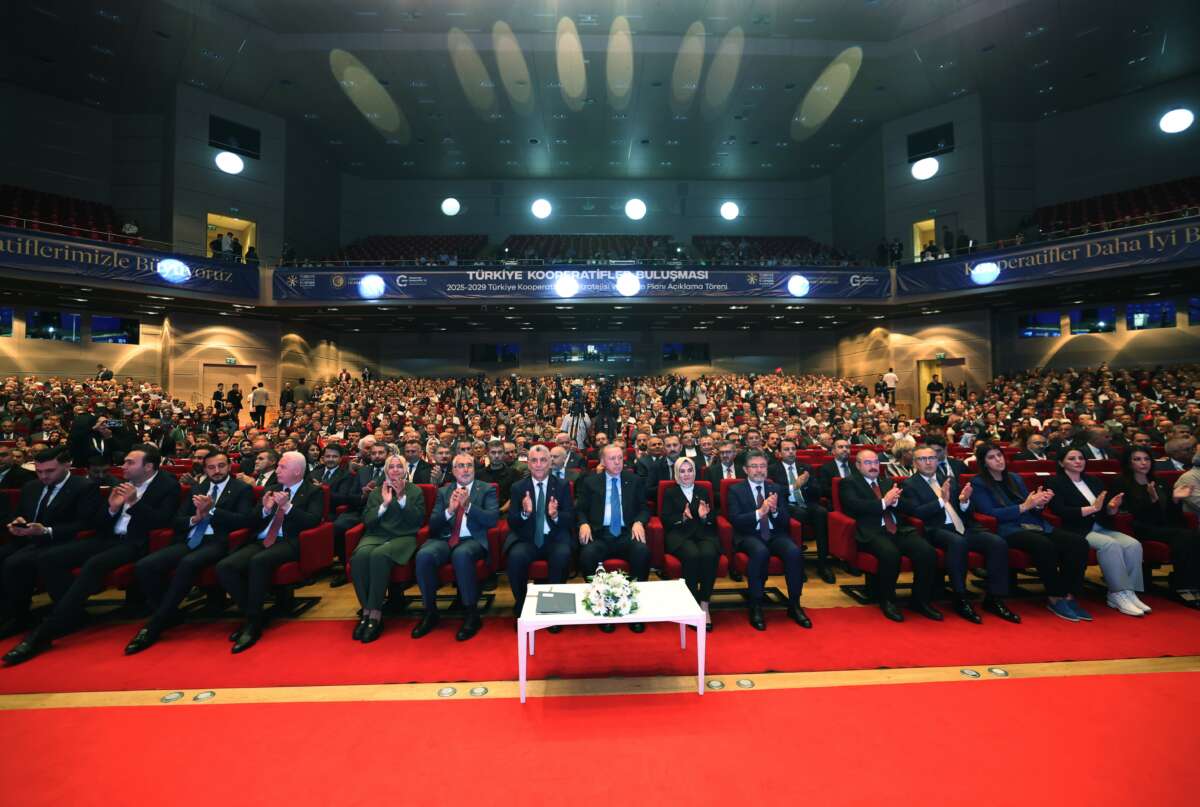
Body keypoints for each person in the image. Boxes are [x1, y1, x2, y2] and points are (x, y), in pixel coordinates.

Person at [4, 445, 180, 666]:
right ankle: (72, 612)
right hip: (106, 538)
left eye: (129, 462)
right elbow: (98, 523)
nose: (123, 466)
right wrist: (112, 509)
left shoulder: (167, 485)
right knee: (49, 557)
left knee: (94, 564)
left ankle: (46, 631)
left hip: (136, 543)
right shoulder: (120, 484)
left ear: (148, 467)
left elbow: (162, 521)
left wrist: (135, 503)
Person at [124, 450, 255, 654]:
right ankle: (169, 613)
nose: (217, 470)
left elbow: (244, 521)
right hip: (190, 539)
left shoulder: (241, 489)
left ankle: (155, 624)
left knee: (188, 563)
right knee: (145, 565)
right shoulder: (197, 488)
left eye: (221, 466)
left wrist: (212, 511)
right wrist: (195, 518)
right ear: (205, 469)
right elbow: (176, 521)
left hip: (218, 541)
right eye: (211, 467)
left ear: (229, 466)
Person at [216, 451, 324, 653]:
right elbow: (251, 520)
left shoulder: (313, 491)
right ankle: (253, 614)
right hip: (263, 539)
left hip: (290, 541)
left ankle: (252, 624)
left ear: (297, 471)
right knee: (225, 566)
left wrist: (288, 507)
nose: (277, 470)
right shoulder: (272, 488)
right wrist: (265, 510)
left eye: (282, 467)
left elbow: (313, 521)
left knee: (259, 561)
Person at [970, 443, 1091, 622]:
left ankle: (1069, 595)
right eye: (991, 457)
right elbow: (990, 513)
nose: (998, 460)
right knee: (1044, 545)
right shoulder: (978, 483)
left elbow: (1032, 507)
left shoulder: (1015, 478)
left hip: (1033, 524)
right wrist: (1024, 506)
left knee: (1078, 543)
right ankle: (1055, 597)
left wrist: (1040, 503)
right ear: (984, 462)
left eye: (999, 455)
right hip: (1007, 529)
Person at [900, 446, 1020, 623]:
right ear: (915, 463)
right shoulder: (909, 485)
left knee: (997, 542)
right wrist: (941, 501)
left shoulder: (948, 479)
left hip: (963, 526)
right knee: (958, 543)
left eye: (932, 458)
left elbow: (966, 510)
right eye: (923, 459)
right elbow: (916, 513)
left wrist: (964, 501)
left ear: (937, 460)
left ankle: (994, 598)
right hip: (936, 529)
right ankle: (960, 598)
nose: (928, 462)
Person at [0, 448, 101, 638]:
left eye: (50, 471)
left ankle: (39, 616)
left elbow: (86, 523)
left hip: (64, 540)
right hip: (30, 539)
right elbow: (20, 514)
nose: (44, 476)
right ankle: (12, 613)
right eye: (39, 471)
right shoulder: (31, 487)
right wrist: (17, 523)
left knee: (15, 563)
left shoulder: (84, 487)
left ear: (67, 465)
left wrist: (47, 531)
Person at [838, 449, 941, 622]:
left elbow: (909, 507)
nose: (873, 466)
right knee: (891, 554)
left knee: (927, 552)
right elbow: (855, 506)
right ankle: (887, 600)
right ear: (858, 465)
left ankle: (920, 600)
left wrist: (896, 501)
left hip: (897, 529)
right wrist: (884, 502)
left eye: (876, 462)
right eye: (868, 463)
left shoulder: (887, 482)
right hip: (871, 531)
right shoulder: (849, 483)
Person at [1048, 448, 1147, 617]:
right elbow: (1060, 511)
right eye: (1072, 458)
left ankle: (1130, 592)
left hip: (1101, 525)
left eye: (1081, 458)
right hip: (1076, 528)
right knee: (1110, 545)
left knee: (1133, 544)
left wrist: (1112, 507)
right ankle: (1117, 593)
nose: (1078, 461)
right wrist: (1092, 509)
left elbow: (1105, 509)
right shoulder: (1055, 482)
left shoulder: (1094, 481)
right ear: (1061, 463)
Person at [411, 453, 500, 641]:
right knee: (424, 554)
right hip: (445, 539)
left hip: (472, 540)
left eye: (469, 465)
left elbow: (492, 519)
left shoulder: (486, 489)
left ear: (475, 469)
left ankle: (471, 614)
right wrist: (450, 510)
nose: (465, 470)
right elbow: (433, 524)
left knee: (461, 554)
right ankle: (430, 612)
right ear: (453, 470)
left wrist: (468, 507)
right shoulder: (444, 491)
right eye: (460, 466)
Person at [726, 450, 809, 630]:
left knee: (794, 552)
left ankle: (794, 604)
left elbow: (785, 520)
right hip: (749, 534)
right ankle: (756, 605)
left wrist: (775, 511)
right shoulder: (735, 490)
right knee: (760, 552)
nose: (759, 470)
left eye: (762, 466)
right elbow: (735, 520)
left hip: (774, 534)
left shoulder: (775, 488)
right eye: (754, 466)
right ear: (745, 470)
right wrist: (760, 512)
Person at [574, 444, 650, 633]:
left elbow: (644, 508)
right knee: (587, 555)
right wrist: (583, 523)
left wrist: (639, 521)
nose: (617, 462)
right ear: (602, 461)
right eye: (612, 459)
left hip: (626, 533)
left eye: (620, 458)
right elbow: (580, 509)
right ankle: (601, 606)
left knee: (642, 551)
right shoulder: (591, 482)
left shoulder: (634, 480)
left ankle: (634, 605)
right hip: (600, 534)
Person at [1109, 447, 1199, 607]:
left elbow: (1173, 516)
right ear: (1129, 463)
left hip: (1163, 526)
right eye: (1137, 459)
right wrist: (1152, 500)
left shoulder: (1159, 481)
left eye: (1146, 459)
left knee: (1191, 534)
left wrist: (1175, 500)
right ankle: (1183, 585)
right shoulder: (1121, 482)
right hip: (1138, 527)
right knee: (1185, 536)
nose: (1143, 463)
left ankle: (1190, 583)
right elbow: (1131, 514)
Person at [350, 455, 425, 643]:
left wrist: (401, 498)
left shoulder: (415, 491)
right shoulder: (376, 492)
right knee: (359, 557)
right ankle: (366, 610)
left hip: (404, 537)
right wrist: (384, 504)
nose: (395, 470)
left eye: (399, 466)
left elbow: (417, 521)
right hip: (376, 535)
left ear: (405, 470)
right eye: (391, 467)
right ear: (386, 470)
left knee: (379, 555)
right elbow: (368, 521)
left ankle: (375, 614)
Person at [505, 445, 575, 627]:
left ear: (550, 463)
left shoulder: (562, 486)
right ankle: (521, 606)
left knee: (562, 555)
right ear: (528, 464)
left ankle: (554, 608)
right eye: (534, 460)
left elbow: (570, 518)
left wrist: (556, 515)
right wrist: (525, 513)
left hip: (554, 538)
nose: (538, 464)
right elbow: (512, 521)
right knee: (515, 557)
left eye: (543, 460)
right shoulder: (518, 487)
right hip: (527, 539)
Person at [660, 456, 720, 630]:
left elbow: (713, 515)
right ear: (676, 474)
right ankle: (692, 603)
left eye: (690, 470)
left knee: (709, 554)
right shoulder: (670, 492)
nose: (686, 474)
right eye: (682, 471)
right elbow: (665, 519)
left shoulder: (703, 490)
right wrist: (682, 517)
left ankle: (704, 603)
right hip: (680, 535)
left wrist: (705, 516)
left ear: (695, 472)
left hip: (703, 533)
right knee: (692, 555)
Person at [769, 438, 834, 583]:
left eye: (793, 449)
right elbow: (773, 491)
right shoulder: (772, 469)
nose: (791, 452)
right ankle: (798, 565)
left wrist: (806, 485)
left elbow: (818, 491)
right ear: (779, 453)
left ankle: (823, 564)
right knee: (799, 514)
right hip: (786, 504)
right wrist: (794, 486)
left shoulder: (806, 468)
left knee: (822, 512)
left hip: (806, 503)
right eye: (786, 449)